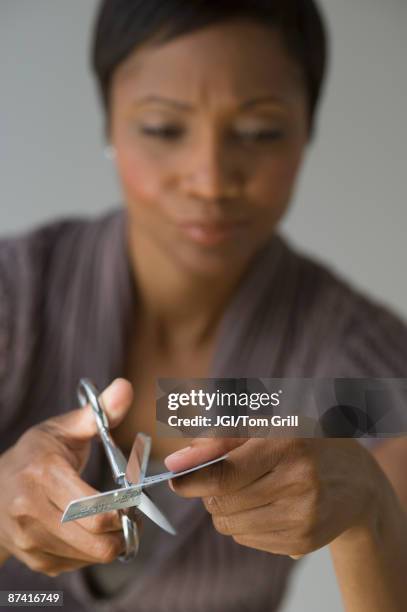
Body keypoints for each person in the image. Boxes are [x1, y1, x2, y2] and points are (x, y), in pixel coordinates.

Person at [0, 1, 406, 610]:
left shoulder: (358, 363)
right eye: (164, 129)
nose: (211, 180)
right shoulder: (14, 298)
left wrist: (369, 511)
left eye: (259, 132)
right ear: (110, 124)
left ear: (307, 131)